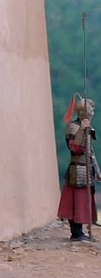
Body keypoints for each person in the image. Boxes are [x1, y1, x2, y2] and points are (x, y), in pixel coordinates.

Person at [57, 94, 100, 241]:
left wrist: (97, 170)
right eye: (90, 111)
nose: (92, 113)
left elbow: (90, 152)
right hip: (77, 170)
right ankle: (76, 232)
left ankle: (85, 231)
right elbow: (75, 148)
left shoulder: (88, 128)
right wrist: (82, 129)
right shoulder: (73, 127)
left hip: (88, 169)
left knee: (85, 202)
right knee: (77, 202)